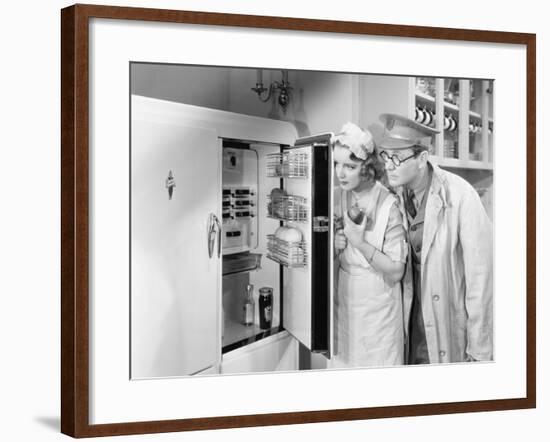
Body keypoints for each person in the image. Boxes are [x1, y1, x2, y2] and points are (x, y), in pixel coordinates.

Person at [377, 113, 493, 364]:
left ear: (422, 158)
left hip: (446, 319)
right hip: (410, 318)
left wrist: (480, 349)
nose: (388, 164)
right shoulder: (394, 195)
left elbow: (481, 277)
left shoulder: (461, 195)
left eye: (397, 157)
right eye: (385, 155)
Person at [329, 122, 408, 368]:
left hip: (378, 309)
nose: (340, 173)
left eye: (349, 167)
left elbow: (397, 270)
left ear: (368, 168)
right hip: (345, 301)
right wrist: (333, 245)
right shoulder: (336, 195)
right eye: (336, 164)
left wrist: (360, 244)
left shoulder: (389, 205)